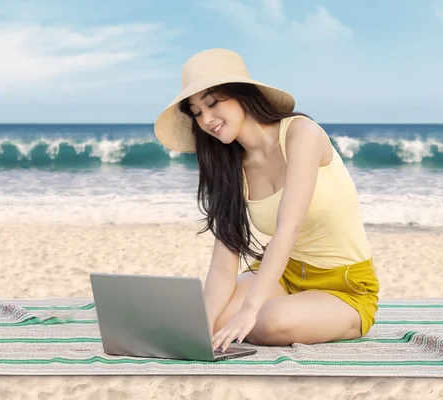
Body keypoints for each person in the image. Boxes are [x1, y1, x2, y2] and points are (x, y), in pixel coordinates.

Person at [154, 48, 380, 353]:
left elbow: (289, 227)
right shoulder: (231, 164)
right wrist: (201, 331)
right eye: (196, 112)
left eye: (212, 103)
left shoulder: (301, 133)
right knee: (219, 322)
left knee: (267, 322)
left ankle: (310, 315)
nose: (206, 119)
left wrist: (249, 310)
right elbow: (224, 263)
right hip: (282, 273)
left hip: (344, 286)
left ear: (242, 95)